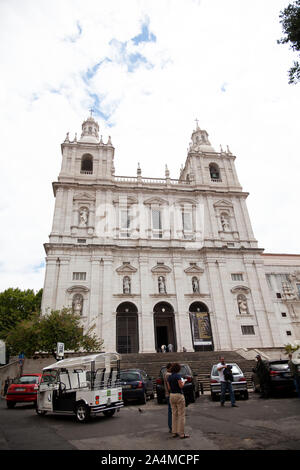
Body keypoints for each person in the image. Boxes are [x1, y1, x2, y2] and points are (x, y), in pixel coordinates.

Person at [167, 363, 190, 439]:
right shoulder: (178, 376)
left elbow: (169, 388)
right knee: (181, 415)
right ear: (178, 369)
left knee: (174, 414)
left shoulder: (169, 377)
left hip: (171, 395)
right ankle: (182, 433)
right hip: (178, 395)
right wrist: (183, 382)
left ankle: (174, 432)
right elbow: (181, 386)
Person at [163, 363, 172, 433]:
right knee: (172, 412)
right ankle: (171, 426)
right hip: (170, 395)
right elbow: (170, 386)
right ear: (169, 368)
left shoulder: (165, 374)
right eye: (171, 368)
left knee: (170, 411)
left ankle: (171, 426)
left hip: (167, 394)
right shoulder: (168, 375)